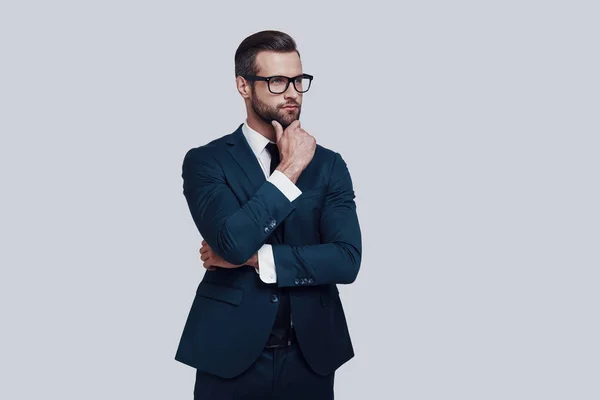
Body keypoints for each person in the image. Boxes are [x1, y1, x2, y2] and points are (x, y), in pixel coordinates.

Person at [174, 30, 362, 400]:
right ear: (243, 86)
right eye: (277, 80)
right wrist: (289, 170)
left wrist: (255, 259)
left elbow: (346, 260)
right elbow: (230, 242)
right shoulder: (207, 161)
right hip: (228, 351)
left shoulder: (329, 165)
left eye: (298, 80)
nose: (292, 91)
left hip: (312, 354)